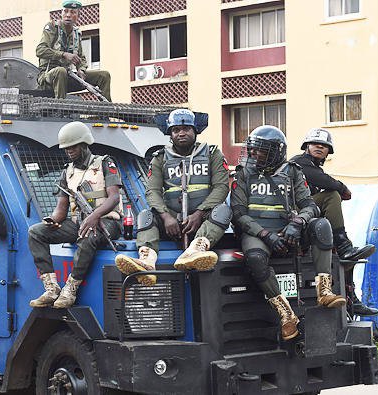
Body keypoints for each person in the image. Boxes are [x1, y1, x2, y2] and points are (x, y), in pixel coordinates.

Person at [230, 125, 346, 341]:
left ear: (275, 151)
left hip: (290, 231)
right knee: (255, 258)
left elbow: (310, 205)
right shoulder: (243, 174)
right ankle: (286, 314)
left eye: (260, 150)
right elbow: (238, 214)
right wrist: (265, 234)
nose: (253, 154)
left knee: (321, 225)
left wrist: (298, 222)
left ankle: (324, 291)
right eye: (252, 149)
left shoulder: (293, 171)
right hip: (258, 234)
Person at [114, 109, 232, 285]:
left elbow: (222, 187)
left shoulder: (212, 153)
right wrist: (166, 216)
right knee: (146, 215)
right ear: (170, 134)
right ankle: (146, 261)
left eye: (186, 128)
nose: (181, 133)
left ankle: (196, 251)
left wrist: (199, 213)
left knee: (223, 211)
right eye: (176, 130)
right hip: (172, 222)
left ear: (195, 130)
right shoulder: (160, 158)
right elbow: (152, 192)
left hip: (203, 218)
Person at [28, 121, 122, 308]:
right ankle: (51, 288)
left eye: (73, 146)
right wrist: (52, 221)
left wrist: (95, 216)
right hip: (78, 222)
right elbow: (61, 208)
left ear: (84, 144)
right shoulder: (67, 172)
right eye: (66, 148)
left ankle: (70, 288)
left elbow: (114, 198)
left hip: (108, 221)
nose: (69, 150)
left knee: (89, 235)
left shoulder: (105, 162)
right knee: (35, 232)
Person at [290, 128, 378, 316]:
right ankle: (343, 243)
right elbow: (326, 183)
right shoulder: (298, 163)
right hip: (294, 216)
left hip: (309, 216)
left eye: (324, 146)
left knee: (345, 256)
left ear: (329, 152)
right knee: (332, 195)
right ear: (306, 146)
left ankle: (351, 297)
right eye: (315, 144)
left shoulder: (314, 167)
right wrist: (342, 188)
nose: (320, 147)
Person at [36, 0, 112, 100]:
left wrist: (81, 69)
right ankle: (61, 109)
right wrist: (63, 54)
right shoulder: (52, 28)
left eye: (72, 12)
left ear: (77, 16)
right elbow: (40, 50)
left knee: (104, 75)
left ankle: (106, 112)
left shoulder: (76, 34)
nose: (68, 15)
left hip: (67, 77)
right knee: (60, 71)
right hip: (47, 78)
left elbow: (81, 59)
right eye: (65, 11)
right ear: (61, 13)